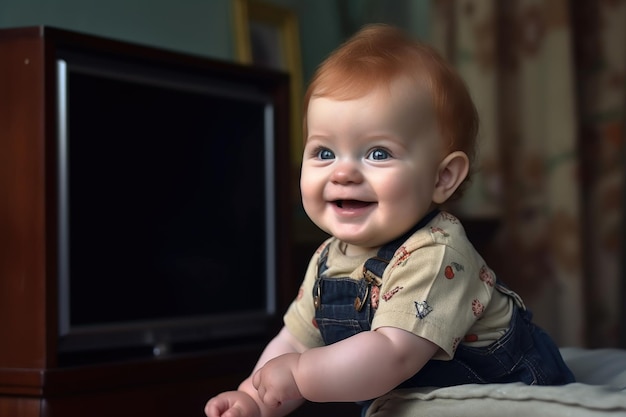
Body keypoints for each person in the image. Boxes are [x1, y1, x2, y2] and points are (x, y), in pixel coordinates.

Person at [205, 23, 575, 417]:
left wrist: (299, 376)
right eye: (324, 152)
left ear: (441, 177)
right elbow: (294, 342)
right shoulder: (329, 259)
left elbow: (391, 354)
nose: (342, 173)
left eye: (378, 153)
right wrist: (255, 397)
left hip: (508, 397)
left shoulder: (436, 253)